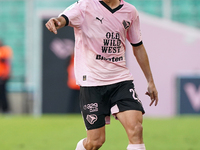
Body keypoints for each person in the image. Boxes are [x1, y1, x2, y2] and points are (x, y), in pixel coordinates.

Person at [45, 0, 158, 149]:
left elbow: (138, 46)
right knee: (95, 142)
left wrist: (150, 81)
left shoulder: (130, 12)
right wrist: (56, 21)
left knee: (136, 130)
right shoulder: (85, 6)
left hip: (121, 80)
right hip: (92, 83)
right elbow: (64, 18)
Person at [0, 40, 12, 113]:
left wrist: (6, 74)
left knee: (3, 93)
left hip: (2, 76)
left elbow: (7, 62)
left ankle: (5, 109)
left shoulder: (5, 50)